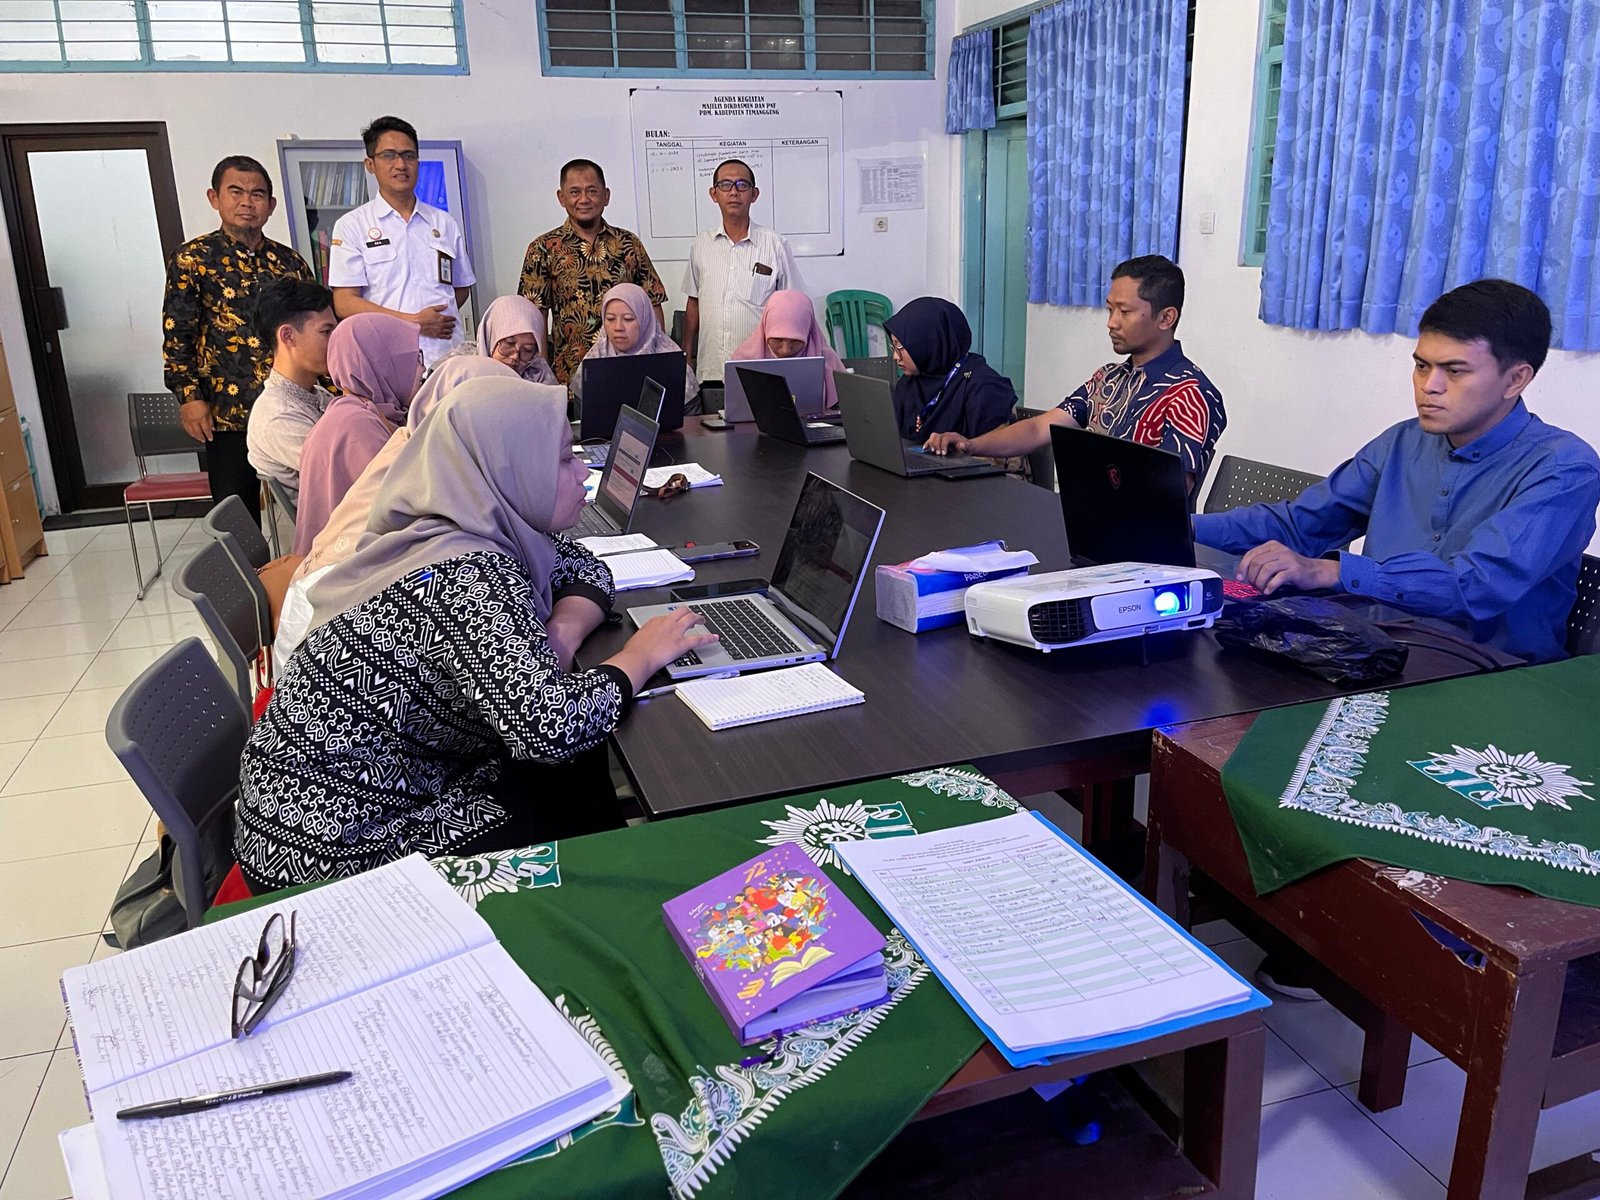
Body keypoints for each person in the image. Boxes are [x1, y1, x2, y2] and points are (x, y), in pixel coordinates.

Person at [234, 377, 718, 891]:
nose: (583, 475)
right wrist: (640, 656)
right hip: (327, 849)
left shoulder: (469, 519)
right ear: (507, 467)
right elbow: (549, 729)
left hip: (333, 804)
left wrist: (560, 636)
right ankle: (617, 905)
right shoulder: (465, 573)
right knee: (553, 774)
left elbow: (586, 568)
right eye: (562, 461)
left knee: (561, 775)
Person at [1195, 278, 1600, 667]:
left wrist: (1329, 570)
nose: (1429, 386)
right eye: (1422, 366)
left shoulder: (1564, 468)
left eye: (1454, 371)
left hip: (1493, 678)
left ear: (1516, 379)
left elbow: (1474, 584)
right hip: (1374, 654)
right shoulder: (1403, 441)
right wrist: (1176, 525)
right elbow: (1302, 523)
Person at [273, 355, 525, 665]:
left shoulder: (414, 443)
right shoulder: (434, 478)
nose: (418, 372)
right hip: (324, 646)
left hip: (321, 624)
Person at [923, 256, 1225, 503]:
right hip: (1083, 523)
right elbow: (1040, 428)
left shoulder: (1189, 393)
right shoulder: (1108, 378)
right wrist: (970, 445)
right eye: (1110, 309)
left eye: (1125, 312)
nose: (1111, 323)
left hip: (1141, 550)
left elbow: (1169, 495)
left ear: (1166, 318)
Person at [162, 155, 314, 524]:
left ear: (271, 205)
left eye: (258, 194)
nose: (248, 202)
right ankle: (247, 581)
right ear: (215, 198)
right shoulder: (193, 259)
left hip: (288, 407)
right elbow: (178, 332)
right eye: (236, 192)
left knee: (312, 498)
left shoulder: (289, 263)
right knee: (237, 514)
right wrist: (189, 398)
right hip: (225, 412)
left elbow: (314, 331)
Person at [328, 115, 475, 368]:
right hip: (387, 362)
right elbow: (344, 302)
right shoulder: (353, 225)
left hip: (447, 357)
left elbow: (460, 287)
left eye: (409, 156)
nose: (401, 164)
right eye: (389, 155)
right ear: (370, 164)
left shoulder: (443, 222)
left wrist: (436, 318)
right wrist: (410, 322)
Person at [518, 159, 668, 384]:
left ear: (606, 196)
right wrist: (541, 376)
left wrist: (657, 361)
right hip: (568, 375)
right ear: (562, 197)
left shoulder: (628, 244)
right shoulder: (543, 248)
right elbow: (534, 315)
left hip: (629, 371)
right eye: (575, 192)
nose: (584, 199)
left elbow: (653, 303)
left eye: (592, 191)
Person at [293, 313, 421, 555]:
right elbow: (399, 511)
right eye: (414, 360)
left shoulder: (359, 411)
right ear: (381, 365)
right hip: (342, 571)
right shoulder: (358, 427)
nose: (421, 369)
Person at [682, 159, 805, 389]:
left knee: (760, 426)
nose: (734, 192)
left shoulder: (774, 244)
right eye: (725, 185)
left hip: (761, 368)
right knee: (708, 426)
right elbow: (693, 302)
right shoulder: (701, 245)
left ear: (754, 194)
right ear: (714, 194)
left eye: (742, 185)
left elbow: (793, 307)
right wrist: (686, 354)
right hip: (712, 369)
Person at [245, 278, 337, 503]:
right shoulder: (279, 416)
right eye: (326, 332)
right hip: (326, 532)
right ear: (288, 336)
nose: (337, 341)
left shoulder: (316, 394)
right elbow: (350, 470)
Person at [879, 297, 1015, 440]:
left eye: (901, 347)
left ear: (930, 343)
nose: (895, 356)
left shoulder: (984, 386)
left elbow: (998, 456)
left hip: (967, 462)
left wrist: (956, 449)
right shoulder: (910, 383)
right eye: (893, 346)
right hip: (914, 462)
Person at [570, 283, 698, 405]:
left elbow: (692, 419)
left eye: (628, 319)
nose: (618, 327)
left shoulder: (672, 363)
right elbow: (582, 422)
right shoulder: (594, 361)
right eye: (610, 319)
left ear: (645, 320)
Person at [728, 290, 846, 410]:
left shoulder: (827, 360)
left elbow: (846, 407)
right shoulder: (743, 359)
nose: (785, 350)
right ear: (766, 329)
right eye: (777, 340)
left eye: (795, 341)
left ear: (808, 332)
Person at [443, 294, 558, 384]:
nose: (515, 357)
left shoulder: (539, 374)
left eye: (527, 350)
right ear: (490, 336)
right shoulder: (460, 368)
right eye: (509, 343)